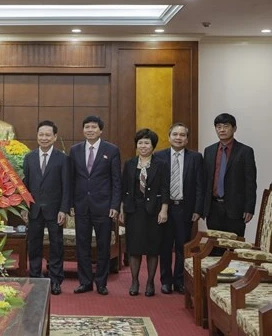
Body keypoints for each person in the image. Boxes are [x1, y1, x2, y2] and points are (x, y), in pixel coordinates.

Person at [70, 115, 121, 296]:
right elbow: (71, 179)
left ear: (100, 130)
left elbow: (116, 180)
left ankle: (101, 282)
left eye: (93, 127)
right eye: (87, 127)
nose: (90, 130)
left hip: (104, 206)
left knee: (103, 246)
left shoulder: (111, 150)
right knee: (82, 245)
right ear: (83, 130)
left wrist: (115, 204)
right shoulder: (75, 150)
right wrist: (71, 204)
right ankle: (85, 282)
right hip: (81, 205)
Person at [22, 120, 71, 295]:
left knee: (56, 245)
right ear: (37, 136)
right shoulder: (29, 157)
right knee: (34, 245)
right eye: (41, 135)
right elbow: (24, 185)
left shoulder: (63, 158)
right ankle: (35, 278)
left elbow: (67, 186)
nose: (44, 138)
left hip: (55, 210)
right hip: (34, 210)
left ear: (55, 137)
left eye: (47, 135)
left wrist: (64, 210)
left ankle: (56, 280)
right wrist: (24, 207)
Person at [155, 123, 205, 294]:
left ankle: (180, 280)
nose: (178, 138)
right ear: (169, 137)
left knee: (183, 246)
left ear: (187, 139)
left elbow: (200, 186)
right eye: (175, 134)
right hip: (165, 209)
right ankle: (166, 281)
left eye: (182, 135)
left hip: (185, 208)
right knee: (165, 246)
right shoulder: (159, 156)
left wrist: (198, 209)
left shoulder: (196, 157)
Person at [120, 129, 169, 297]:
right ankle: (134, 282)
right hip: (134, 210)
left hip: (154, 212)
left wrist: (164, 209)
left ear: (153, 145)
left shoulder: (161, 164)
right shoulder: (130, 163)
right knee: (134, 248)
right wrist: (122, 209)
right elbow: (124, 188)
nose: (143, 146)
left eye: (147, 143)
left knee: (152, 248)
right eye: (140, 142)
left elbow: (165, 189)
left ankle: (150, 282)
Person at [203, 113, 257, 239]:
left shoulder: (245, 151)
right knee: (214, 247)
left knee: (234, 247)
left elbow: (250, 182)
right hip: (213, 208)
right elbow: (206, 180)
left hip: (235, 208)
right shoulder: (209, 151)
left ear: (234, 128)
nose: (222, 130)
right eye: (218, 126)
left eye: (226, 126)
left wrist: (249, 208)